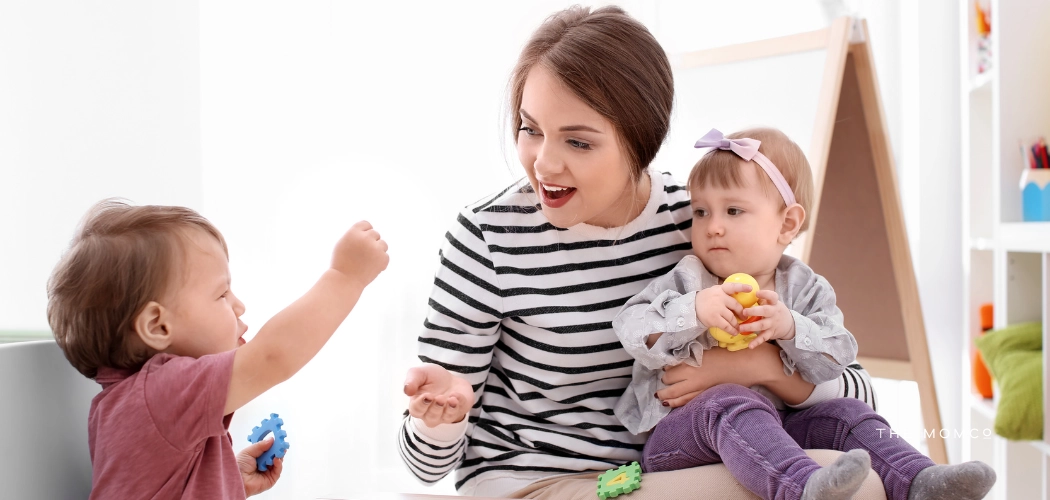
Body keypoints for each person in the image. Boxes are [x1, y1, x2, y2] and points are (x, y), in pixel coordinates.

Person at [397, 6, 882, 499]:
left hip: (651, 475)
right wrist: (442, 419)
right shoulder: (487, 235)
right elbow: (425, 468)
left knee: (861, 482)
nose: (544, 163)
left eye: (578, 142)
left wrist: (758, 368)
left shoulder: (701, 222)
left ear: (641, 143)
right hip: (533, 483)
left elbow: (859, 390)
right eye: (530, 129)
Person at [613, 127, 996, 500]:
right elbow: (630, 326)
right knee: (729, 400)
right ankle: (802, 487)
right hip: (682, 435)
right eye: (700, 211)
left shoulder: (805, 288)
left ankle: (920, 481)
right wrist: (694, 309)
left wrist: (792, 327)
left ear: (787, 223)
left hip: (782, 429)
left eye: (733, 210)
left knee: (848, 413)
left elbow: (837, 356)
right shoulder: (689, 279)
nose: (712, 227)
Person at [47, 199, 388, 499]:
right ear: (158, 326)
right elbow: (273, 356)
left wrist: (228, 480)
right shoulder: (160, 393)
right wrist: (345, 276)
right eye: (222, 294)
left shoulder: (138, 405)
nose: (239, 306)